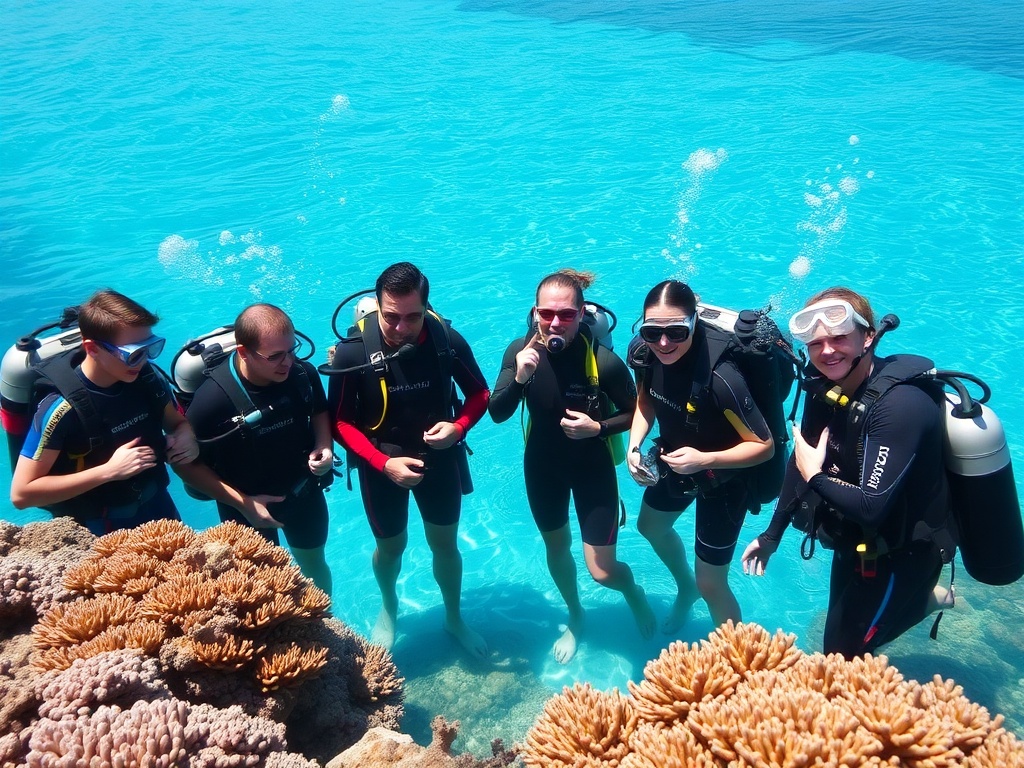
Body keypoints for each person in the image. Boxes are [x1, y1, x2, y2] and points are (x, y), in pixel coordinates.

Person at [741, 287, 954, 658]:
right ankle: (918, 600)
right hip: (855, 543)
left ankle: (921, 598)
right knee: (836, 648)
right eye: (816, 342)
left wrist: (817, 477)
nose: (826, 351)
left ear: (868, 337)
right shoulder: (825, 387)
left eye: (839, 338)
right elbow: (801, 459)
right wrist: (772, 535)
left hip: (902, 553)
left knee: (843, 656)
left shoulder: (900, 405)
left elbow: (870, 505)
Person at [490, 269, 655, 664]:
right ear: (535, 313)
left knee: (602, 571)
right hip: (542, 468)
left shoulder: (605, 361)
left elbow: (637, 414)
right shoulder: (519, 351)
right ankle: (576, 616)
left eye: (566, 314)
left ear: (582, 314)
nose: (554, 323)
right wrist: (521, 377)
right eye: (546, 314)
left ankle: (633, 593)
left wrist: (597, 427)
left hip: (592, 470)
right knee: (557, 546)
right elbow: (497, 411)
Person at [328, 262, 489, 657]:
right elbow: (339, 423)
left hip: (440, 460)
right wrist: (383, 464)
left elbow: (479, 393)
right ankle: (390, 606)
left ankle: (454, 617)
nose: (401, 328)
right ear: (378, 306)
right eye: (391, 317)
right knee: (391, 548)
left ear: (427, 308)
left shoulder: (445, 339)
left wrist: (459, 428)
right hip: (380, 466)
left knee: (445, 545)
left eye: (413, 317)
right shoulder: (353, 352)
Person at [625, 280, 773, 633]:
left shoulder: (722, 378)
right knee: (650, 526)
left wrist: (705, 460)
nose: (664, 343)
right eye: (652, 331)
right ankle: (686, 588)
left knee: (712, 583)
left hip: (725, 479)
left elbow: (763, 446)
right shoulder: (646, 355)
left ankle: (739, 664)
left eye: (677, 331)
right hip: (680, 459)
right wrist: (634, 446)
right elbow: (646, 400)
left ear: (694, 322)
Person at [10, 289, 199, 534]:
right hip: (98, 526)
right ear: (93, 349)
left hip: (158, 506)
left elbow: (178, 423)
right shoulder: (61, 408)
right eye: (132, 354)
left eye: (150, 348)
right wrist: (109, 472)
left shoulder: (147, 380)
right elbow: (21, 493)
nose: (142, 361)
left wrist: (187, 436)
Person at [176, 304, 334, 595]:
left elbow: (319, 411)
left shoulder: (302, 375)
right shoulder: (211, 401)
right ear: (243, 352)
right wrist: (243, 503)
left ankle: (325, 627)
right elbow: (183, 464)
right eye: (274, 356)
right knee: (260, 585)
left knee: (314, 563)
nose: (287, 362)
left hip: (303, 493)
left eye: (291, 350)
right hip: (242, 507)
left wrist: (324, 444)